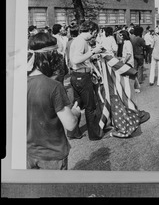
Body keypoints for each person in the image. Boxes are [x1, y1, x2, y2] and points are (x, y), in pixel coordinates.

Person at [27, 32, 81, 170]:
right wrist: (75, 112)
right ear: (49, 57)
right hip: (52, 155)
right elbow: (70, 125)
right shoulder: (53, 86)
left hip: (28, 153)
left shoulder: (18, 82)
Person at [69, 20, 105, 141]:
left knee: (77, 104)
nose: (95, 35)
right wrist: (93, 51)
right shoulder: (81, 41)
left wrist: (92, 55)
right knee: (90, 106)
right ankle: (94, 135)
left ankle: (72, 131)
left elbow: (79, 59)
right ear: (93, 31)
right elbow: (76, 59)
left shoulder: (79, 40)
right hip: (82, 77)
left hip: (76, 76)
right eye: (95, 33)